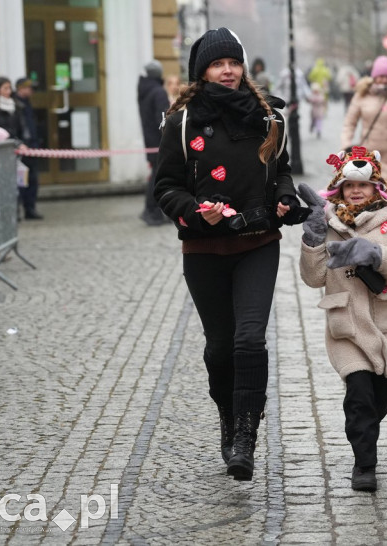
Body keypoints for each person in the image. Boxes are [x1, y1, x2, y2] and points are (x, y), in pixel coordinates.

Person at [154, 27, 308, 482]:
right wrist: (199, 212)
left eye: (234, 63)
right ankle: (228, 416)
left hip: (257, 243)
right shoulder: (180, 123)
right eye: (218, 64)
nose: (227, 70)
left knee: (249, 340)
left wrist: (283, 200)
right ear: (201, 71)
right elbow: (166, 187)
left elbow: (281, 170)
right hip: (203, 248)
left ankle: (245, 436)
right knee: (220, 348)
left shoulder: (268, 119)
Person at [297, 147, 387, 492]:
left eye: (363, 185)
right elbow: (313, 277)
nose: (355, 190)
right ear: (338, 188)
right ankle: (364, 464)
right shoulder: (329, 224)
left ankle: (365, 430)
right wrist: (312, 240)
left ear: (376, 188)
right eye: (348, 184)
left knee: (380, 397)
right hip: (347, 328)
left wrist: (377, 254)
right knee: (359, 396)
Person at [340, 56, 387, 190]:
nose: (385, 80)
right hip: (368, 154)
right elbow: (350, 123)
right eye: (381, 76)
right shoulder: (361, 95)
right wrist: (346, 144)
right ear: (374, 76)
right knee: (369, 195)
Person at [138, 60, 170, 226]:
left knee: (156, 176)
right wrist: (170, 137)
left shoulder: (145, 90)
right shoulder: (158, 92)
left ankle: (154, 210)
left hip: (150, 141)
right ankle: (151, 210)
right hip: (159, 143)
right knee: (159, 178)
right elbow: (162, 120)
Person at [14, 78, 42, 220]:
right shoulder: (15, 104)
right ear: (20, 88)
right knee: (20, 181)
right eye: (29, 88)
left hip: (31, 146)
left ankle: (30, 208)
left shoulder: (27, 104)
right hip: (21, 147)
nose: (31, 91)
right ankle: (18, 210)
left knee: (32, 180)